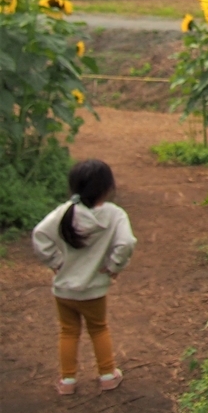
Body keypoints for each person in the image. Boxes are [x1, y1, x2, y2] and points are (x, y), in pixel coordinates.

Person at [32, 159, 137, 395]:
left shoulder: (64, 212)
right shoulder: (114, 214)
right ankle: (108, 375)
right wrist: (114, 266)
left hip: (64, 291)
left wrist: (56, 262)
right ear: (109, 187)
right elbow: (126, 242)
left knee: (68, 332)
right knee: (98, 329)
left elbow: (39, 235)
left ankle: (67, 380)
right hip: (94, 290)